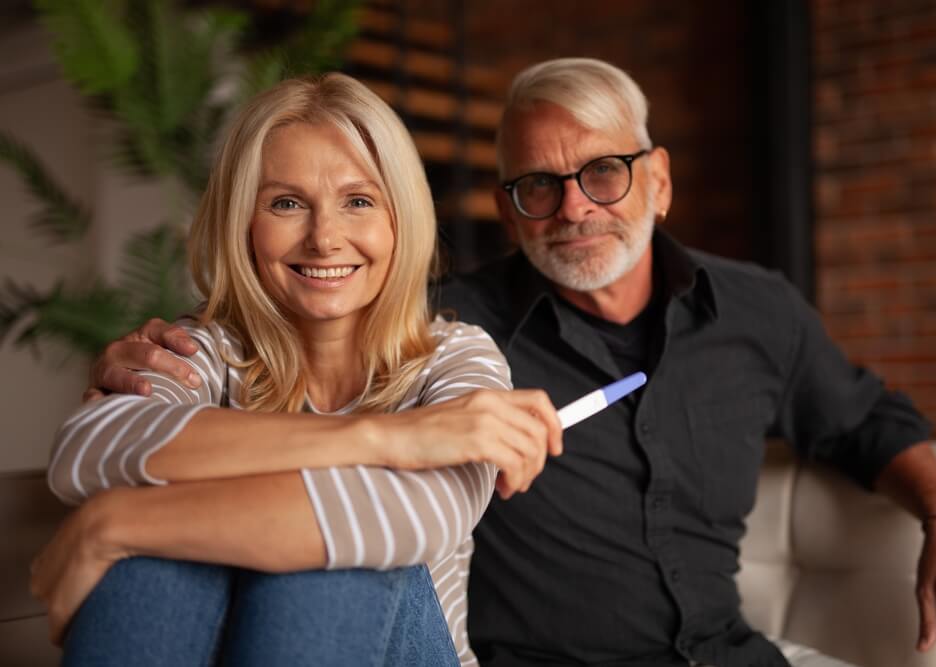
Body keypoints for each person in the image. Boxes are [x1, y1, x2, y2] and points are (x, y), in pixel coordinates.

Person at [86, 59, 936, 667]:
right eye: (538, 185)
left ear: (660, 179)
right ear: (508, 204)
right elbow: (312, 318)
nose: (573, 206)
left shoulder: (756, 308)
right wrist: (140, 359)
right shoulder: (447, 322)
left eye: (603, 171)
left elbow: (860, 417)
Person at [31, 72, 564, 667]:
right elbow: (89, 444)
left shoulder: (455, 359)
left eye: (358, 201)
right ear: (245, 225)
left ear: (399, 220)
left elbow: (409, 517)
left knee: (343, 557)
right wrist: (387, 437)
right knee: (157, 567)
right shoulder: (201, 351)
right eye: (286, 203)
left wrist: (117, 521)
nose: (325, 238)